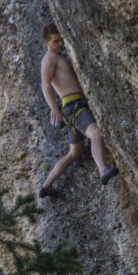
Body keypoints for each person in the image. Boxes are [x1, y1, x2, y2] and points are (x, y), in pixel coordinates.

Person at [38, 22, 118, 198]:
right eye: (55, 41)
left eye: (61, 40)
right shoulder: (50, 58)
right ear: (46, 42)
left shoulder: (60, 57)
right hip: (74, 107)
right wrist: (54, 107)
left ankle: (46, 186)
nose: (60, 44)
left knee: (74, 153)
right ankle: (103, 170)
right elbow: (45, 85)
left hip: (73, 109)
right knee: (96, 132)